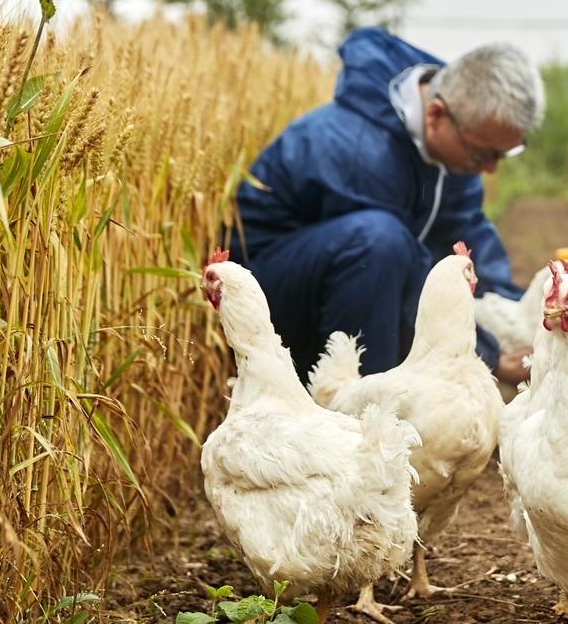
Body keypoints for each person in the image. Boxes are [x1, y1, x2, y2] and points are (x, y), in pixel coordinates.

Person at [229, 27, 543, 386]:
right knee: (380, 242)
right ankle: (361, 419)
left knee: (388, 252)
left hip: (355, 289)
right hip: (267, 299)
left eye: (503, 154)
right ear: (436, 115)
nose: (490, 168)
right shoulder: (358, 148)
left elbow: (468, 238)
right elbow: (402, 267)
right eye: (484, 154)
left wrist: (532, 314)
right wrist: (489, 355)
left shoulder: (459, 136)